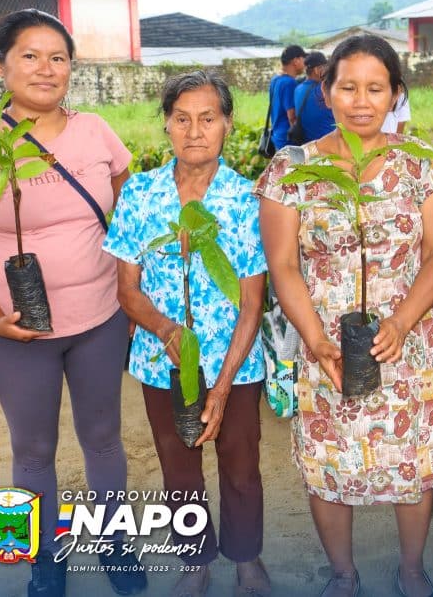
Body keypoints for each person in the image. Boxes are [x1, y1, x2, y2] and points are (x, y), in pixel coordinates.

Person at [0, 8, 145, 597]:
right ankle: (41, 561)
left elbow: (129, 218)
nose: (46, 69)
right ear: (0, 64)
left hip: (99, 320)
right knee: (32, 450)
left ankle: (114, 546)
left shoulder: (96, 132)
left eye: (58, 58)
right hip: (15, 333)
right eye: (30, 55)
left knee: (104, 437)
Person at [257, 35, 433, 597]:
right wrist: (317, 342)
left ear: (396, 94)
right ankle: (343, 573)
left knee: (413, 462)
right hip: (327, 344)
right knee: (327, 462)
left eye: (376, 88)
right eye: (348, 87)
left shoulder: (421, 165)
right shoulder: (291, 169)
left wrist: (401, 323)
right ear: (326, 90)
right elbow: (284, 266)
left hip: (409, 342)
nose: (361, 101)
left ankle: (411, 569)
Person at [104, 71, 271, 597]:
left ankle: (246, 560)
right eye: (181, 119)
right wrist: (166, 330)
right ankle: (194, 559)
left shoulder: (247, 198)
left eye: (207, 119)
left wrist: (222, 386)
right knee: (178, 466)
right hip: (162, 361)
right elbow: (126, 289)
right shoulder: (140, 192)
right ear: (166, 126)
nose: (194, 131)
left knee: (241, 463)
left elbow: (250, 301)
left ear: (227, 125)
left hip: (235, 362)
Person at [270, 44, 306, 149]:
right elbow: (292, 116)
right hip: (288, 140)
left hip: (277, 136)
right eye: (303, 59)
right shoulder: (289, 83)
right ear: (296, 61)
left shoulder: (275, 79)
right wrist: (299, 139)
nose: (305, 63)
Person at [295, 51, 337, 140]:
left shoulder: (297, 89)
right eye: (325, 67)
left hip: (310, 145)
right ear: (317, 70)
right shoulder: (324, 89)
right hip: (330, 145)